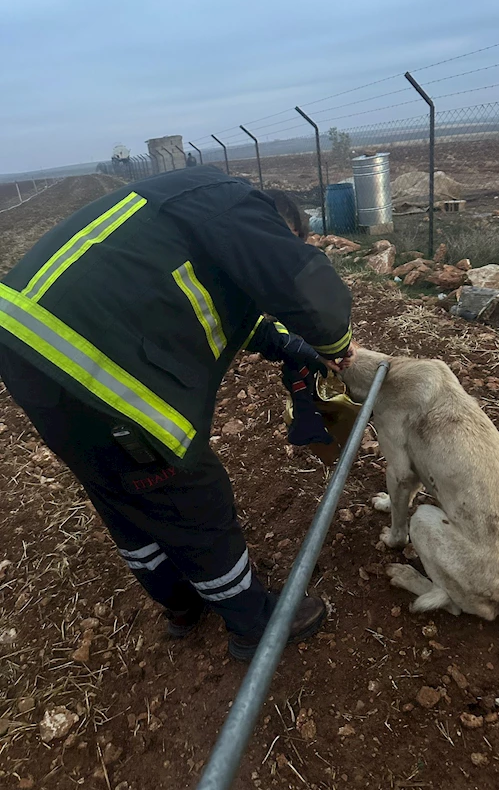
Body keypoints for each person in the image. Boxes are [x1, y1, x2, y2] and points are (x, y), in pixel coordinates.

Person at [0, 166, 353, 661]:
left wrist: (283, 344)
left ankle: (181, 603)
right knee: (187, 488)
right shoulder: (237, 204)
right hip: (85, 363)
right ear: (278, 226)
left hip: (32, 349)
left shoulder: (188, 222)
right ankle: (251, 621)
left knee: (117, 486)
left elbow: (222, 303)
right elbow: (300, 282)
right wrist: (334, 343)